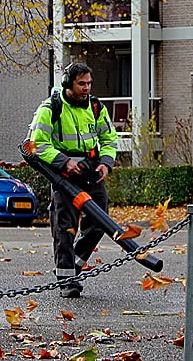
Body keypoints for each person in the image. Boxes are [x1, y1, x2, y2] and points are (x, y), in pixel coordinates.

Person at [25, 62, 117, 298]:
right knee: (64, 226)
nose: (86, 88)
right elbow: (35, 144)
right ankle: (67, 281)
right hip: (63, 174)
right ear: (68, 83)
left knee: (101, 220)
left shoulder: (96, 107)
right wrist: (64, 162)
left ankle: (74, 263)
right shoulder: (51, 108)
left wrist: (106, 163)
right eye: (81, 84)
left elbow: (109, 138)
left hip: (91, 169)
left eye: (89, 83)